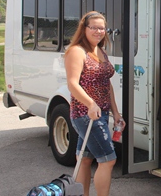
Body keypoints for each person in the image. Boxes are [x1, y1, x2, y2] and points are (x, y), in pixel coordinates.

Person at [64, 11, 125, 196]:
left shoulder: (100, 50)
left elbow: (107, 85)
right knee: (108, 160)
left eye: (102, 28)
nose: (99, 31)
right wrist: (91, 103)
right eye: (94, 28)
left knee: (84, 159)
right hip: (85, 114)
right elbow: (72, 83)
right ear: (84, 29)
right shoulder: (77, 51)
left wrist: (116, 113)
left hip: (101, 113)